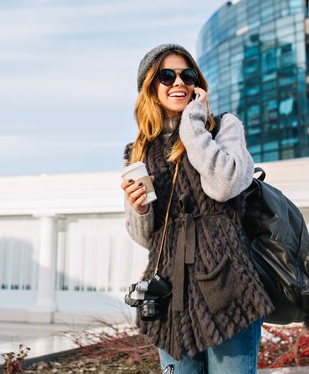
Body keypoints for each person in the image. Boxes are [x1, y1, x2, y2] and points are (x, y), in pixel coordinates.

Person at [121, 43, 274, 374]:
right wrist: (140, 210)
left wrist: (193, 124)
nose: (178, 82)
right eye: (167, 75)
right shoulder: (138, 150)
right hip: (168, 291)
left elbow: (223, 185)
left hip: (227, 284)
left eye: (186, 74)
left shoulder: (223, 127)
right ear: (150, 86)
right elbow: (145, 237)